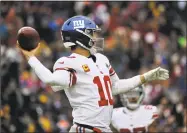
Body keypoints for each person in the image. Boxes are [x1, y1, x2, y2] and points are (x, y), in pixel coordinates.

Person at [18, 15, 169, 132]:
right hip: (85, 129)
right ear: (80, 36)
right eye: (91, 33)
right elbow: (50, 79)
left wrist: (145, 77)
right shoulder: (68, 62)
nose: (96, 37)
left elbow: (114, 87)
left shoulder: (102, 59)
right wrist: (30, 57)